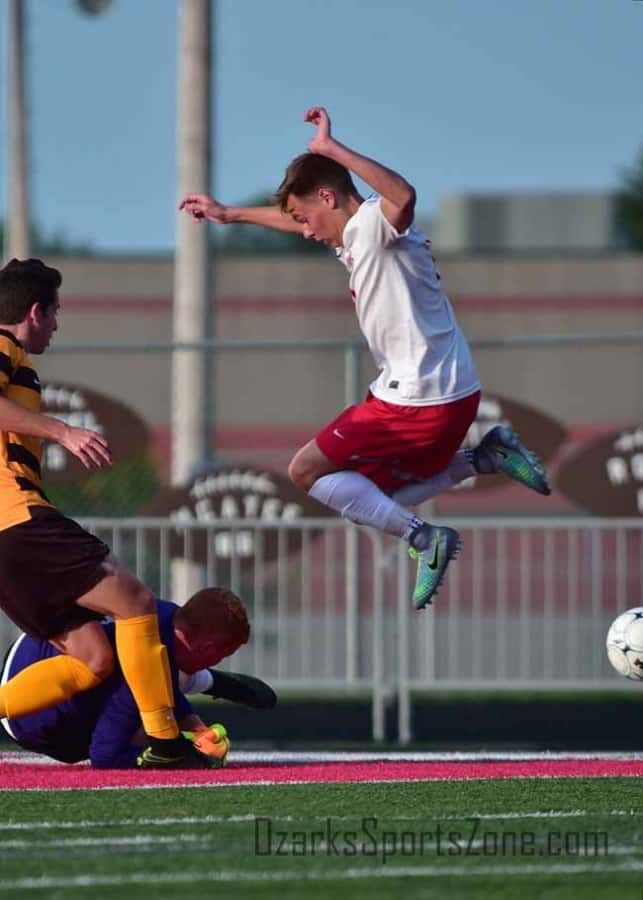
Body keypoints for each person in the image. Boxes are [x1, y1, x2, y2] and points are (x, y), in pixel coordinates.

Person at [180, 106, 550, 610]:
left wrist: (335, 151)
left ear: (330, 196)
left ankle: (428, 540)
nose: (307, 231)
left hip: (417, 398)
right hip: (447, 392)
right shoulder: (354, 233)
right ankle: (486, 457)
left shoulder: (376, 223)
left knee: (307, 471)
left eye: (307, 217)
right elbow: (303, 221)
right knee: (371, 503)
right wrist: (230, 214)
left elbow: (404, 196)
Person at [0, 257, 214, 768]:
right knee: (136, 600)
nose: (56, 325)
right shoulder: (4, 345)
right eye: (55, 314)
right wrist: (62, 430)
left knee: (95, 659)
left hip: (9, 534)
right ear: (35, 311)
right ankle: (165, 743)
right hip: (19, 521)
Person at [1, 587, 276, 768]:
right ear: (208, 648)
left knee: (160, 683)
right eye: (220, 654)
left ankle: (208, 681)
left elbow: (165, 671)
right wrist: (189, 755)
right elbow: (106, 756)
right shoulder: (136, 668)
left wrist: (198, 729)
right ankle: (208, 681)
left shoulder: (164, 613)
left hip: (32, 648)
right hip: (32, 722)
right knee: (149, 727)